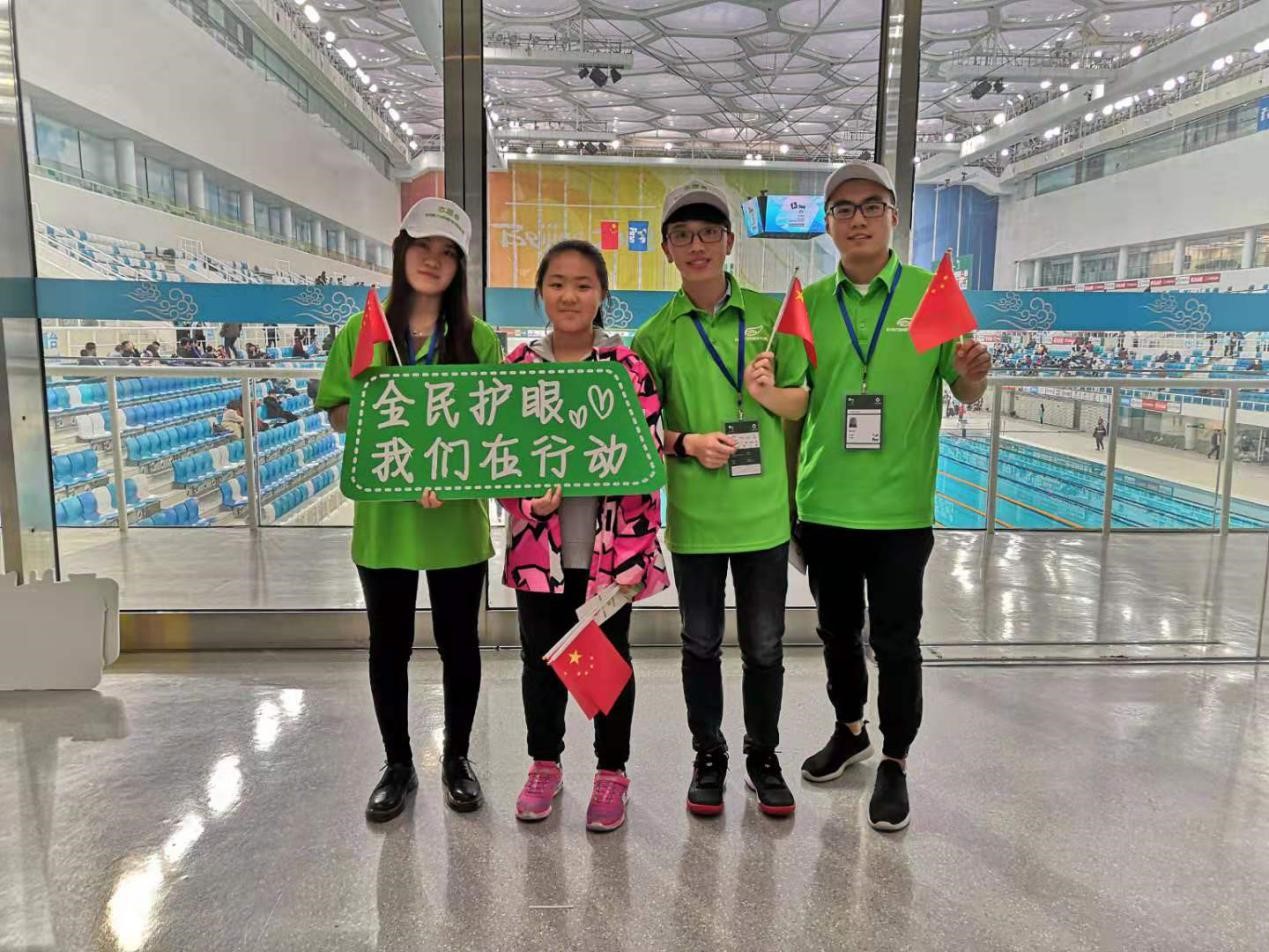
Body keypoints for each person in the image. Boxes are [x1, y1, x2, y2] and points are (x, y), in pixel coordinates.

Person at [791, 161, 990, 832]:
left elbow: (964, 389)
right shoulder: (810, 303)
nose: (858, 219)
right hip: (825, 503)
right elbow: (792, 405)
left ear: (893, 218)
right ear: (828, 224)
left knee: (897, 641)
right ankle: (850, 731)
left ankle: (896, 760)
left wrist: (973, 376)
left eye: (870, 206)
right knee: (836, 634)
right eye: (843, 208)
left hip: (900, 510)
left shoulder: (930, 296)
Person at [315, 197, 502, 822]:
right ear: (401, 251)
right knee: (388, 646)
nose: (433, 260)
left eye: (448, 252)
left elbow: (492, 428)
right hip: (387, 519)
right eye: (423, 246)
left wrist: (449, 471)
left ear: (460, 266)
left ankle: (457, 759)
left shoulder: (478, 340)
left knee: (459, 644)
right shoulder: (361, 332)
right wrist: (391, 417)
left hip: (455, 518)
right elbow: (337, 415)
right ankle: (397, 763)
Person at [632, 182, 810, 818]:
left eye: (709, 232)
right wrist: (686, 443)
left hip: (763, 518)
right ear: (666, 249)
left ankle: (764, 756)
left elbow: (802, 401)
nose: (697, 245)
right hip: (697, 521)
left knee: (765, 647)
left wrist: (766, 396)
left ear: (730, 241)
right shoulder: (654, 336)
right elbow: (640, 433)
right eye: (682, 235)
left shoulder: (773, 316)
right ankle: (708, 754)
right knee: (700, 645)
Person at [500, 240, 668, 833]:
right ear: (540, 293)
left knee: (605, 661)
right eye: (557, 284)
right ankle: (544, 764)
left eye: (583, 285)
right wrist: (526, 502)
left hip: (609, 554)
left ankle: (611, 771)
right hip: (537, 552)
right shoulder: (517, 369)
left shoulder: (627, 369)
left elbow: (648, 462)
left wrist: (635, 555)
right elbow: (495, 460)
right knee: (540, 661)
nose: (569, 296)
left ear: (601, 295)